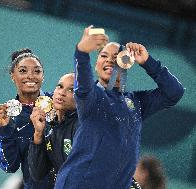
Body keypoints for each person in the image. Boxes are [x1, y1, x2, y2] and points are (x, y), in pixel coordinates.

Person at [54, 26, 184, 189]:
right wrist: (81, 52)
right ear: (96, 65)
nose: (109, 60)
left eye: (116, 57)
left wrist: (148, 62)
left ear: (126, 63)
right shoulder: (91, 96)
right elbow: (83, 84)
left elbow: (174, 92)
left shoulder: (136, 103)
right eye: (103, 55)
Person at [0, 48, 52, 189]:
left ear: (43, 76)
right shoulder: (9, 118)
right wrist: (4, 129)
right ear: (12, 75)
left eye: (37, 71)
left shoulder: (58, 102)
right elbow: (9, 165)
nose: (30, 76)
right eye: (23, 71)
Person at [28, 73, 78, 188]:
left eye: (71, 90)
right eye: (60, 86)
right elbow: (37, 173)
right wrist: (38, 134)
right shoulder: (50, 127)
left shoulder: (82, 127)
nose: (62, 92)